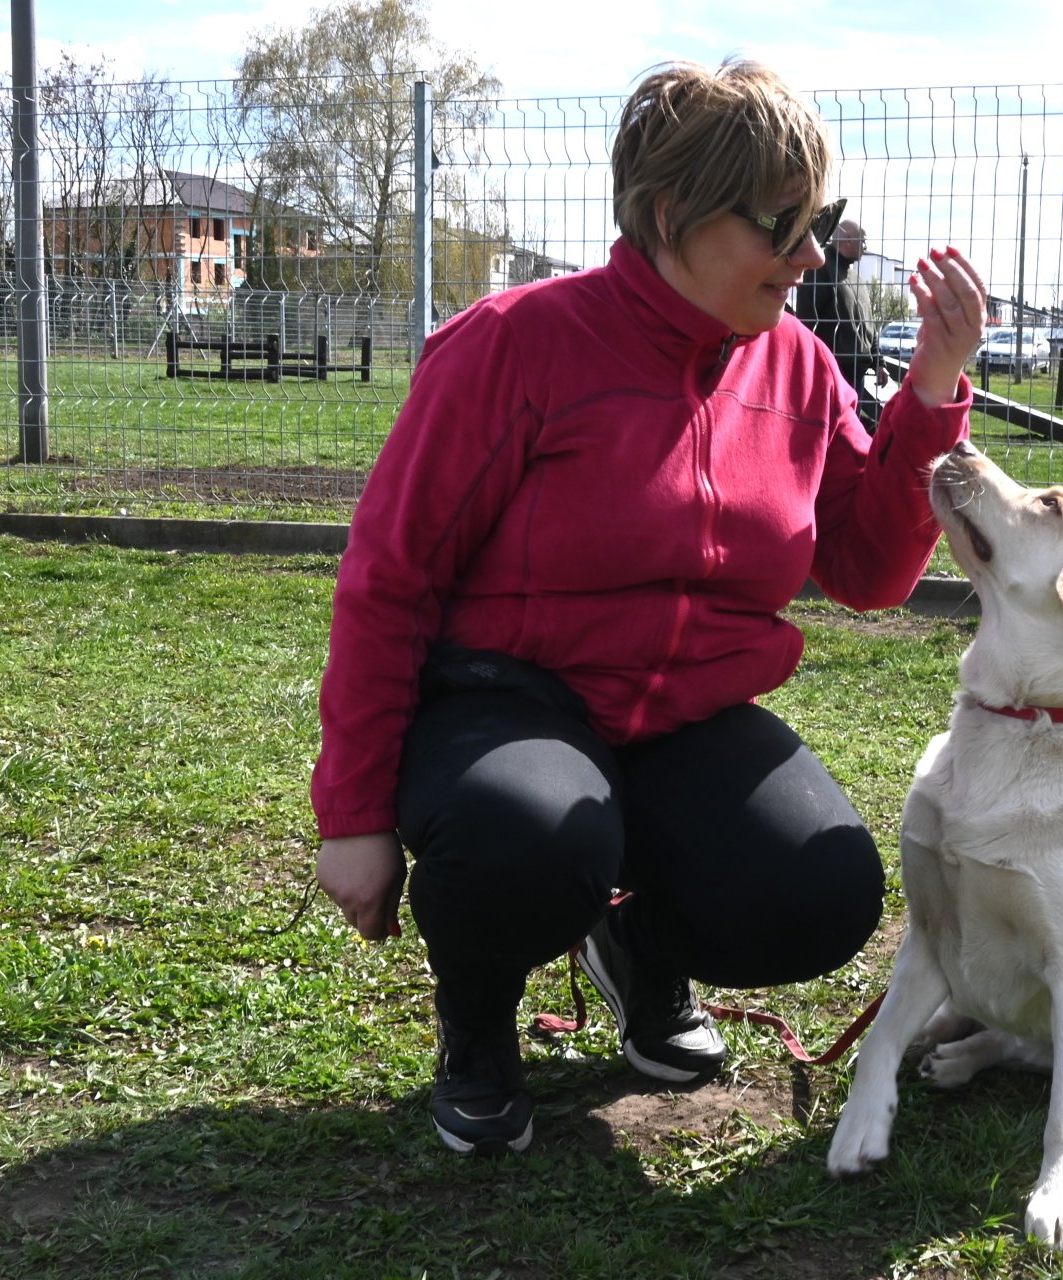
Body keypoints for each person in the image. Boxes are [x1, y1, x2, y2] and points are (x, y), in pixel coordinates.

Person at [311, 58, 987, 1156]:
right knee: (527, 838)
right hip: (508, 704)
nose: (812, 254)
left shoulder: (798, 365)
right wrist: (352, 815)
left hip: (684, 716)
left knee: (818, 892)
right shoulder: (516, 342)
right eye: (784, 224)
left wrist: (931, 393)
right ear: (672, 214)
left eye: (824, 222)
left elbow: (869, 569)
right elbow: (390, 577)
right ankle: (478, 1025)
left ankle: (634, 947)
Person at [795, 216, 888, 429]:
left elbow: (869, 324)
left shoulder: (856, 278)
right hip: (832, 372)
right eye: (862, 241)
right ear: (847, 240)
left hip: (858, 373)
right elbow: (806, 322)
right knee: (831, 431)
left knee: (850, 430)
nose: (865, 247)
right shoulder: (819, 270)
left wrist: (879, 362)